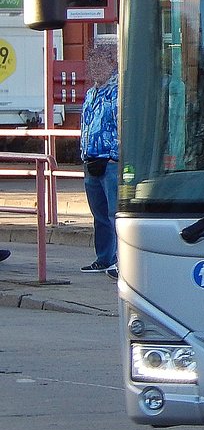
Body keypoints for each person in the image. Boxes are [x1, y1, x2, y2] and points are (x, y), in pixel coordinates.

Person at [79, 40, 119, 279]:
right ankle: (103, 258)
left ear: (111, 63)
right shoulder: (92, 93)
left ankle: (118, 260)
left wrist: (115, 156)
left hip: (110, 163)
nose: (95, 68)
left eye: (99, 63)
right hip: (91, 160)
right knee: (99, 215)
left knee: (114, 214)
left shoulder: (118, 91)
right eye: (92, 63)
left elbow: (121, 124)